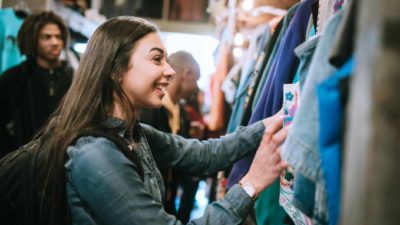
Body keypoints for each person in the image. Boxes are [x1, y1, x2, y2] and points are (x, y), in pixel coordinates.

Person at [35, 16, 288, 225]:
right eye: (157, 59)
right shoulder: (95, 152)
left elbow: (204, 155)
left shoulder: (135, 133)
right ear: (114, 70)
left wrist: (270, 123)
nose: (170, 70)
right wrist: (251, 185)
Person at [0, 11, 73, 158]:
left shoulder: (75, 77)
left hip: (65, 161)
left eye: (58, 37)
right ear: (33, 40)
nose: (55, 42)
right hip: (24, 165)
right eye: (46, 37)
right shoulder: (14, 78)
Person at [140, 51, 202, 222]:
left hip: (167, 197)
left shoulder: (181, 112)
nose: (196, 86)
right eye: (196, 79)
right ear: (187, 73)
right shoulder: (151, 109)